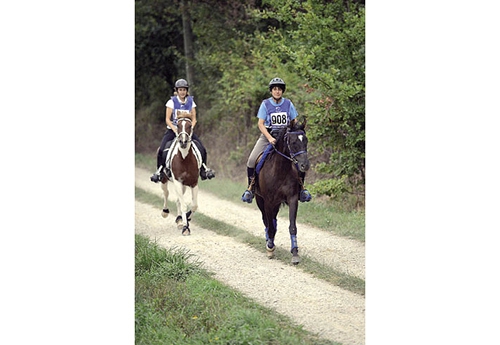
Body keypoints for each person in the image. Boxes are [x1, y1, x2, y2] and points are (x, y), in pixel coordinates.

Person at [241, 77, 311, 203]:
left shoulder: (288, 104)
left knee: (299, 161)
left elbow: (294, 121)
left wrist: (297, 131)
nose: (277, 91)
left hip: (285, 138)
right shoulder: (265, 104)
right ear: (271, 91)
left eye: (279, 89)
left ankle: (301, 188)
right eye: (275, 89)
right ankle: (250, 187)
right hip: (268, 136)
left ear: (282, 91)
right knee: (251, 160)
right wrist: (269, 138)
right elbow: (261, 124)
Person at [150, 78, 215, 183]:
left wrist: (191, 128)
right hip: (173, 130)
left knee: (202, 148)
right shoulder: (171, 102)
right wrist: (175, 129)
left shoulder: (191, 102)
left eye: (184, 90)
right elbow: (167, 119)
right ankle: (159, 171)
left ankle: (203, 170)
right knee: (162, 149)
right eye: (180, 90)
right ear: (176, 91)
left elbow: (194, 119)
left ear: (187, 91)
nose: (182, 92)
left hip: (187, 131)